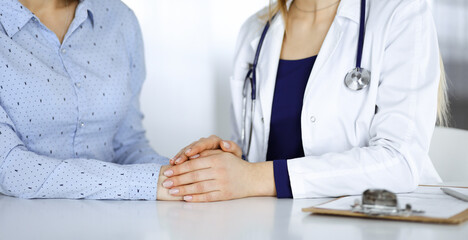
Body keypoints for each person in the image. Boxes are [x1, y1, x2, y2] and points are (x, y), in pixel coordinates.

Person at [161, 0, 449, 202]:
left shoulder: (402, 13)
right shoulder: (255, 31)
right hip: (278, 224)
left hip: (383, 223)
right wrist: (231, 161)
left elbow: (400, 161)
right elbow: (259, 156)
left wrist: (254, 177)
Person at [0, 0, 178, 200]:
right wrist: (149, 182)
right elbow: (9, 168)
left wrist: (192, 174)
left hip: (115, 225)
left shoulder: (118, 17)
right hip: (23, 227)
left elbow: (127, 144)